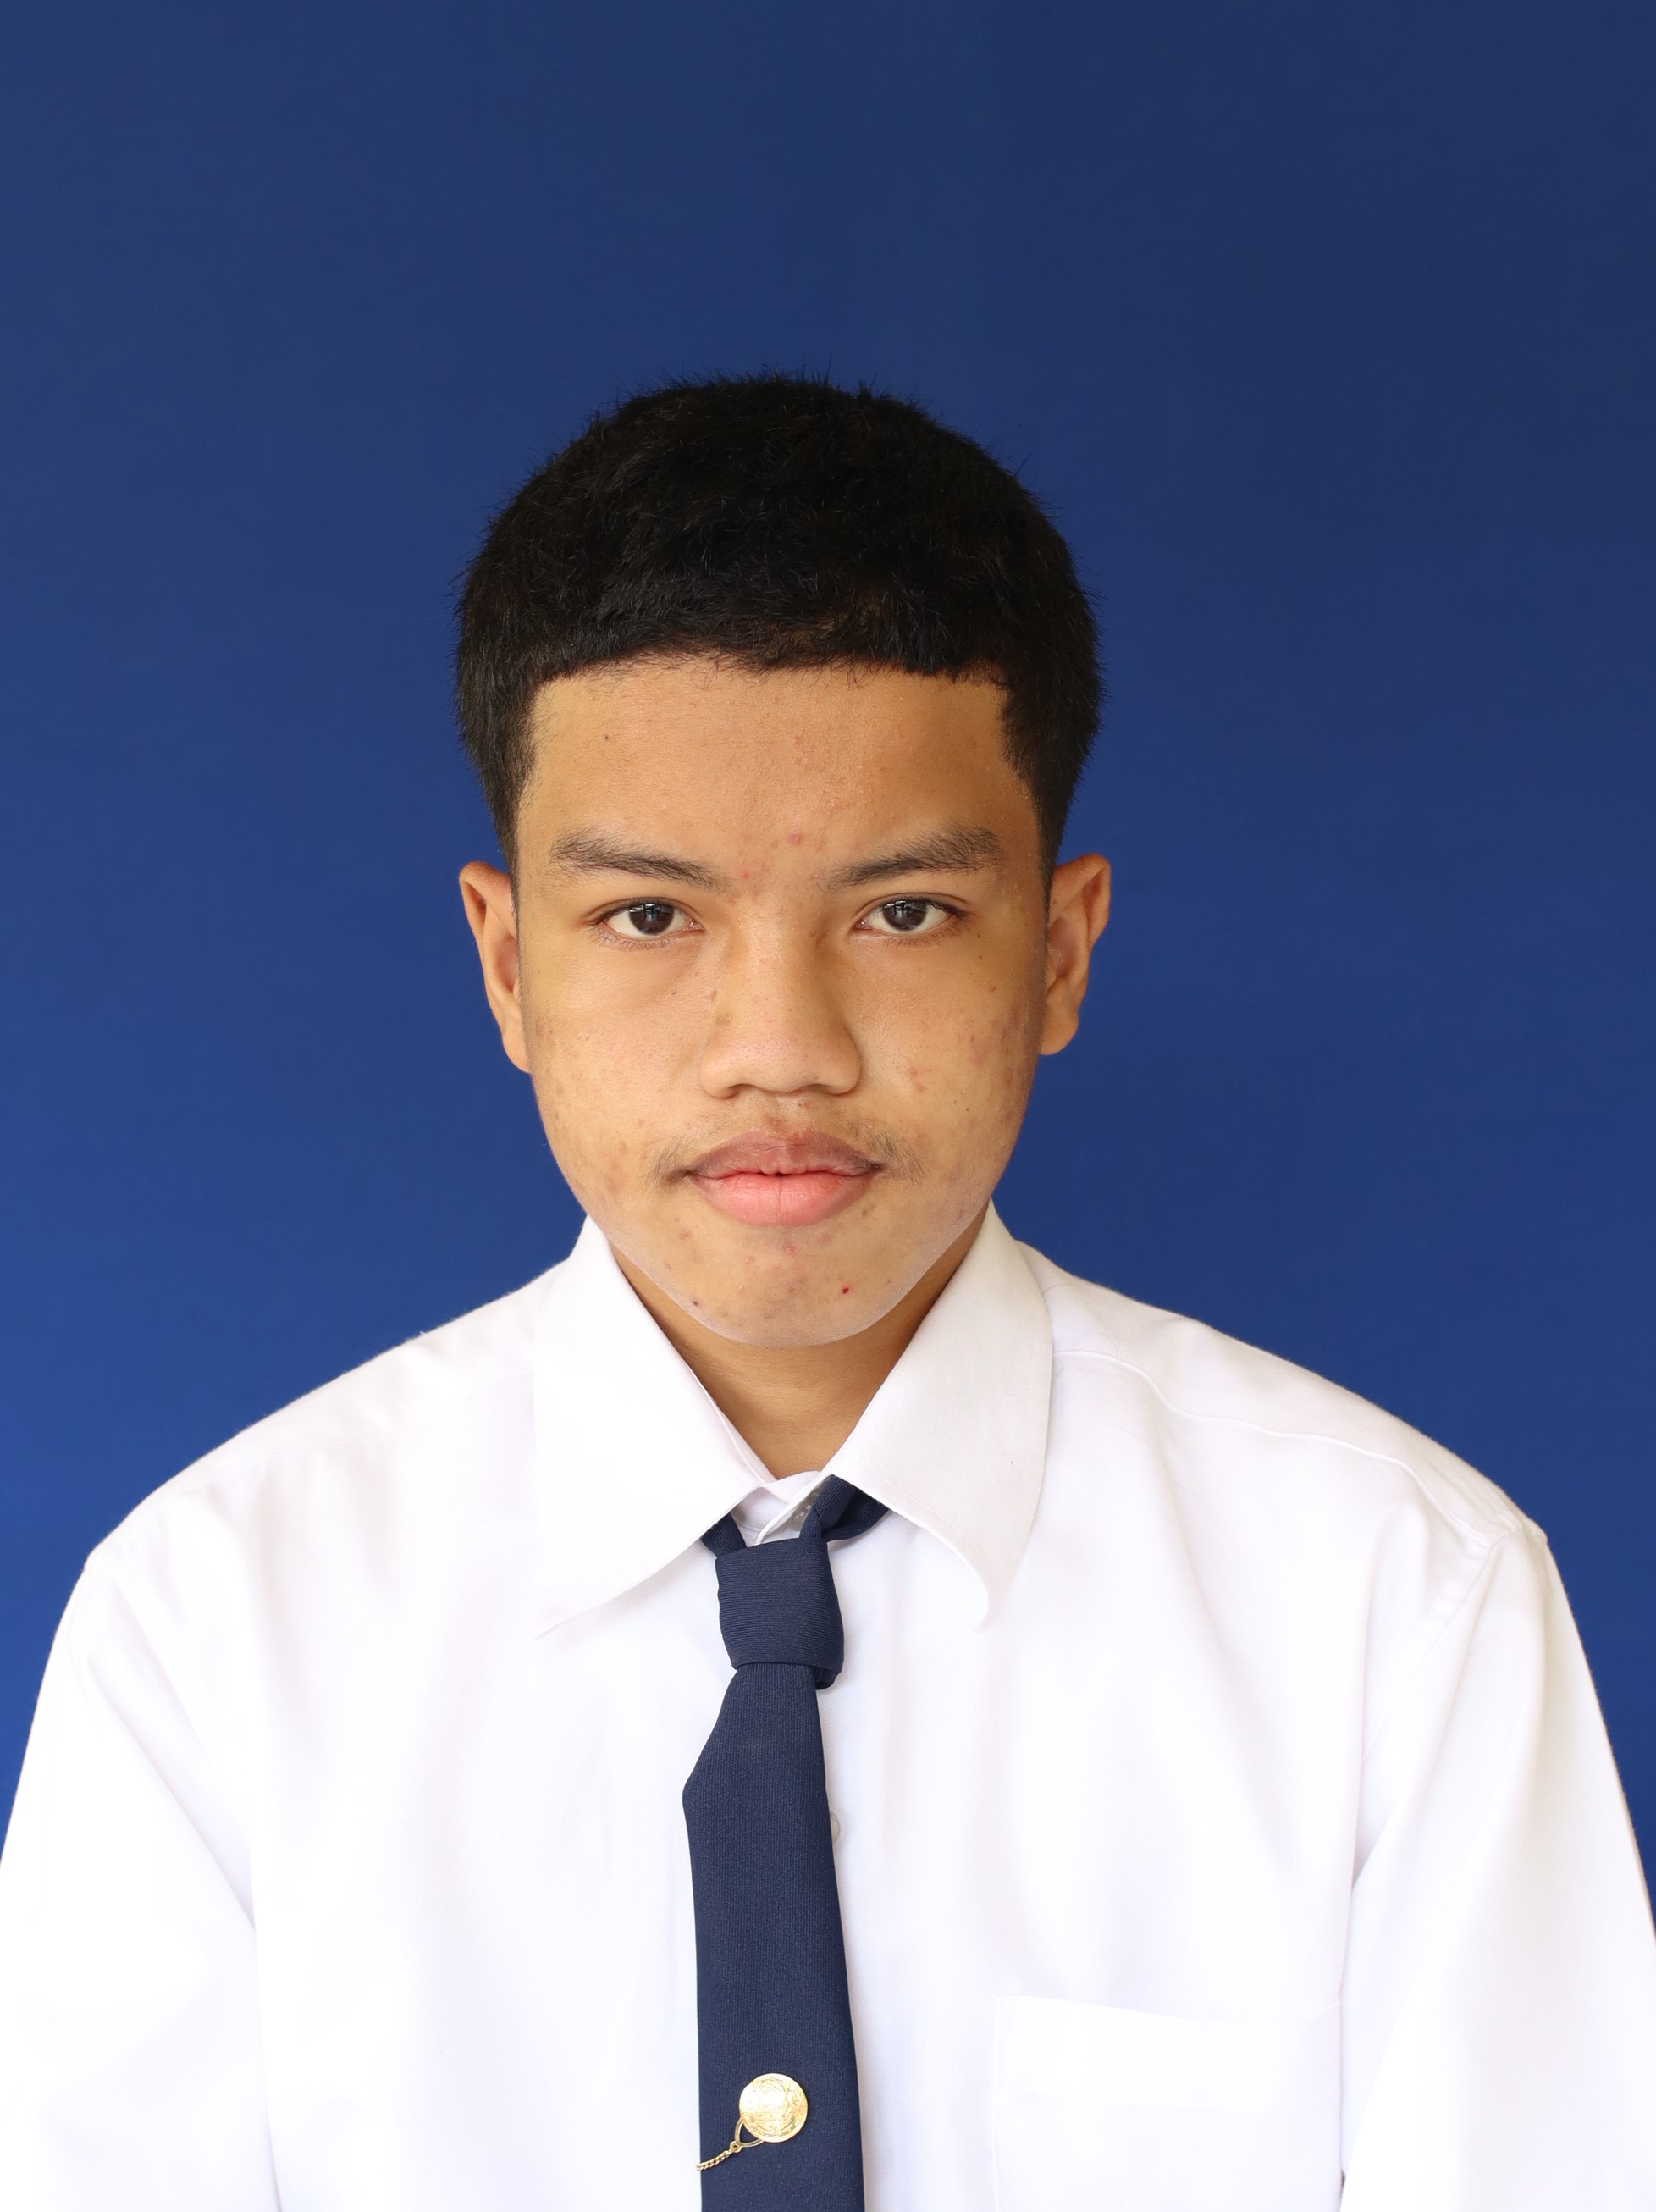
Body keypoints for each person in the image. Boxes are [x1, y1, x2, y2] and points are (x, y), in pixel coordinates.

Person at [0, 374, 1652, 2212]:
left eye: (902, 913)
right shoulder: (214, 1633)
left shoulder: (1398, 1609)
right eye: (649, 918)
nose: (778, 1048)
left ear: (1061, 950)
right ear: (507, 963)